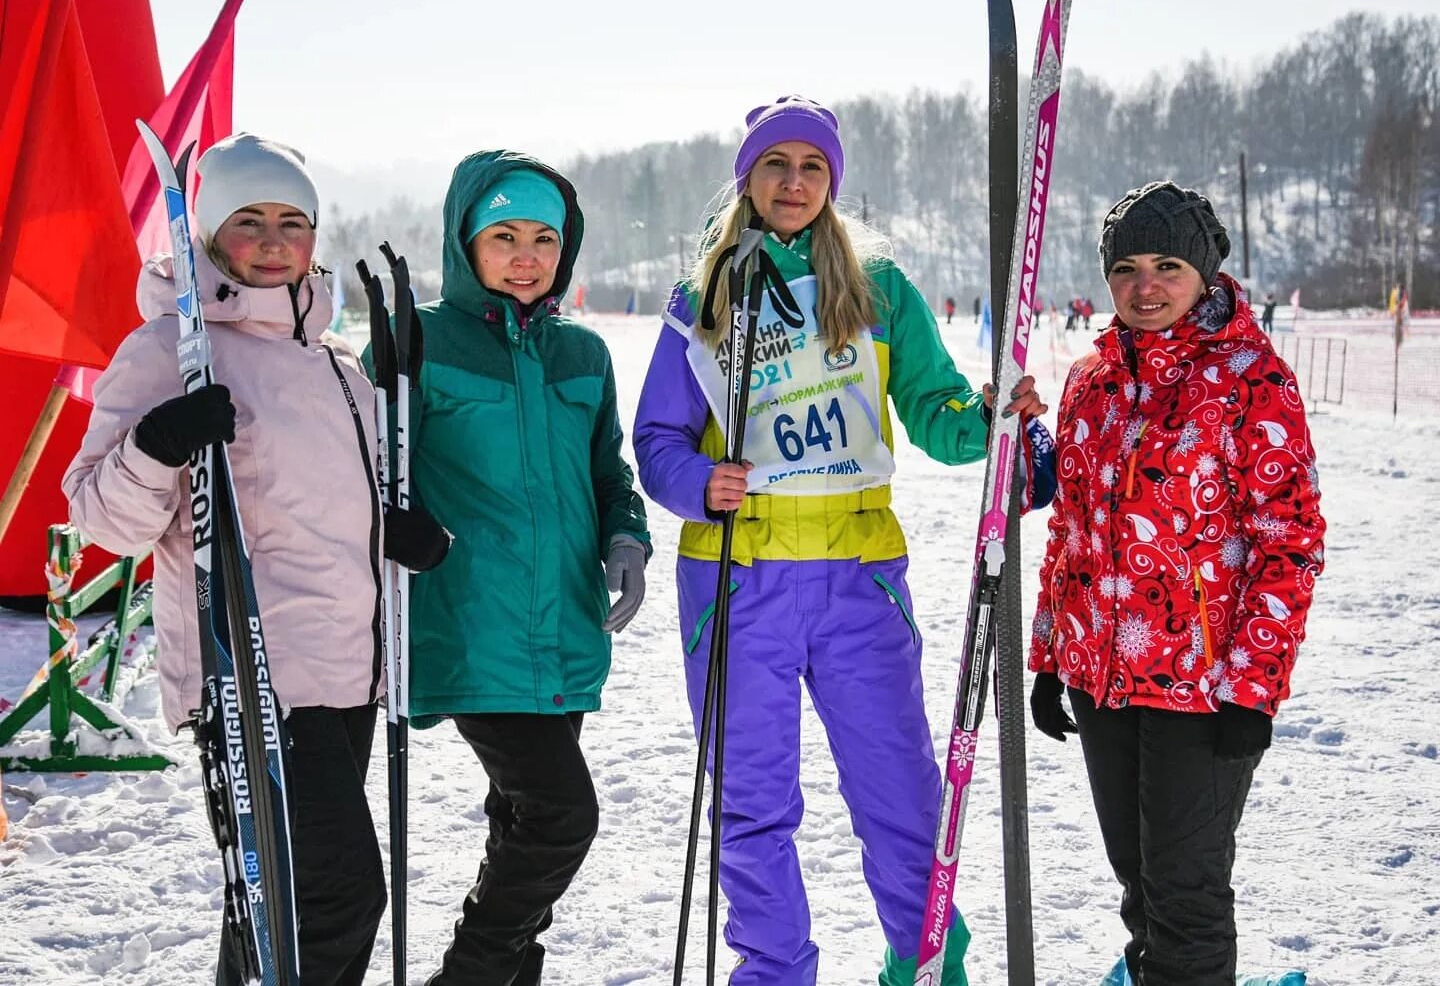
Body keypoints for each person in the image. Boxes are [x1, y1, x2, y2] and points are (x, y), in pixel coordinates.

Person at [633, 95, 1051, 986]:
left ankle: (927, 958)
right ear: (748, 176)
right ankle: (774, 971)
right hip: (738, 580)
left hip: (860, 580)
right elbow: (657, 440)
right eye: (776, 165)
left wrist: (990, 416)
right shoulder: (703, 295)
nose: (794, 183)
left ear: (833, 181)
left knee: (899, 790)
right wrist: (699, 484)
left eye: (812, 167)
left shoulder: (880, 287)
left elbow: (938, 418)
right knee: (753, 802)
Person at [63, 132, 451, 985]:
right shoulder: (168, 349)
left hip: (352, 674)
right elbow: (100, 515)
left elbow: (341, 498)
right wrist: (154, 447)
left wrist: (397, 528)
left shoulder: (339, 366)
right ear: (204, 232)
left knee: (270, 911)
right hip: (252, 679)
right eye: (249, 221)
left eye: (293, 222)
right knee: (336, 898)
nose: (274, 241)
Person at [1028, 181, 1325, 986]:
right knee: (1139, 886)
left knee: (1186, 897)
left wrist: (1252, 688)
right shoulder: (1090, 382)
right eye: (1126, 267)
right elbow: (1072, 531)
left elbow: (1288, 543)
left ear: (1203, 272)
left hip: (1204, 688)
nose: (1145, 286)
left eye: (1166, 265)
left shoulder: (1250, 378)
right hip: (1103, 680)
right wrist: (1052, 655)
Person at [397, 150, 650, 986]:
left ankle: (509, 975)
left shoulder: (582, 354)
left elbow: (607, 470)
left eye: (545, 238)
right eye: (504, 234)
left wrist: (627, 537)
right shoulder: (418, 340)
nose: (526, 256)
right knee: (560, 817)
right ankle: (468, 975)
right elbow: (368, 470)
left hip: (565, 627)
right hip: (471, 623)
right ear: (464, 241)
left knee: (519, 821)